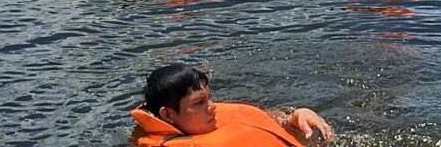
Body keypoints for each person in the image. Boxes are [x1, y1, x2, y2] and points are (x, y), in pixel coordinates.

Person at [130, 63, 335, 147]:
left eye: (209, 98)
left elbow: (273, 121)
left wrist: (297, 117)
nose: (212, 107)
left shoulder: (221, 119)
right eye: (199, 103)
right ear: (167, 115)